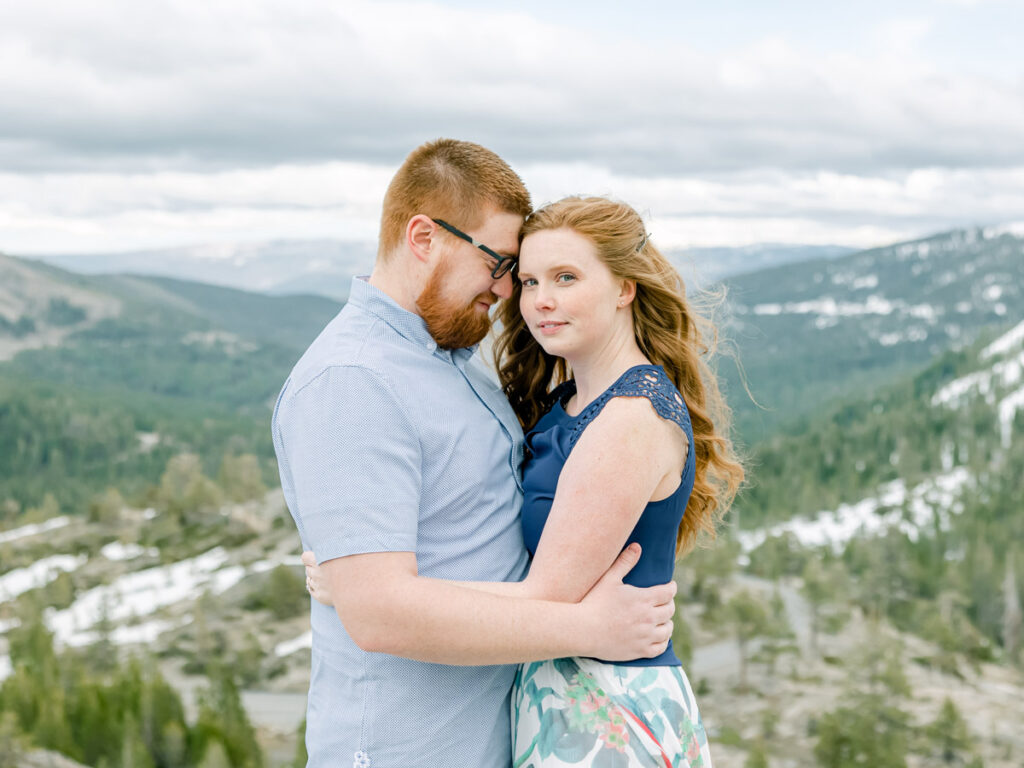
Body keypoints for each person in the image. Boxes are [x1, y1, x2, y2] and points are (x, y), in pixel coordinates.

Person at [273, 140, 678, 768]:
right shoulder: (353, 379)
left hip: (498, 734)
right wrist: (590, 627)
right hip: (404, 746)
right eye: (500, 263)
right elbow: (380, 613)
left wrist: (359, 583)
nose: (507, 289)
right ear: (424, 237)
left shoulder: (454, 362)